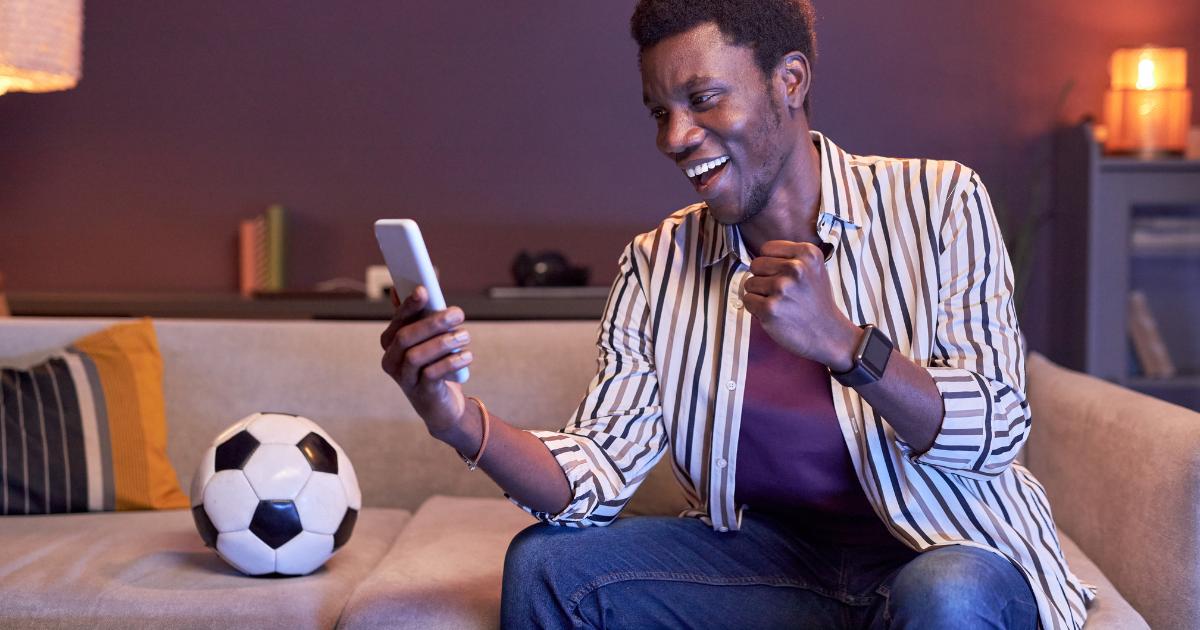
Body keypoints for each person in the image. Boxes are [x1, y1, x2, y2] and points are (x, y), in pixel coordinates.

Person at [380, 1, 1094, 628]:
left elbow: (998, 427)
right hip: (775, 572)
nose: (674, 137)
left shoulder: (940, 203)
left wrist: (847, 346)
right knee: (547, 569)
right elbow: (597, 470)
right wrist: (456, 420)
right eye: (661, 112)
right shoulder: (658, 263)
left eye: (704, 99)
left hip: (942, 554)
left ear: (790, 81)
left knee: (946, 598)